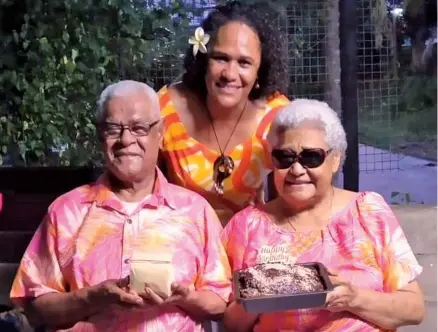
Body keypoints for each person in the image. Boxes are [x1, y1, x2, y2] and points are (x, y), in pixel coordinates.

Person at [10, 80, 232, 331]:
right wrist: (93, 297)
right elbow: (36, 308)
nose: (126, 140)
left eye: (139, 128)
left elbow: (220, 301)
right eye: (113, 129)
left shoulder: (194, 211)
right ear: (99, 135)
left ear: (160, 133)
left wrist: (185, 297)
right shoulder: (66, 211)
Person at [222, 99, 425, 331]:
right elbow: (230, 324)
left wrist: (353, 298)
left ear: (335, 159)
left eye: (311, 157)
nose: (297, 170)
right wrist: (258, 296)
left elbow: (414, 308)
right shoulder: (247, 225)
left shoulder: (368, 211)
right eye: (285, 158)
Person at [158, 0, 290, 224]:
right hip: (180, 240)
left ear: (260, 70)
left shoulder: (278, 116)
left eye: (244, 63)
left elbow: (290, 203)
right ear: (203, 58)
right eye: (221, 58)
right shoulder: (165, 109)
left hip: (247, 242)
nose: (230, 73)